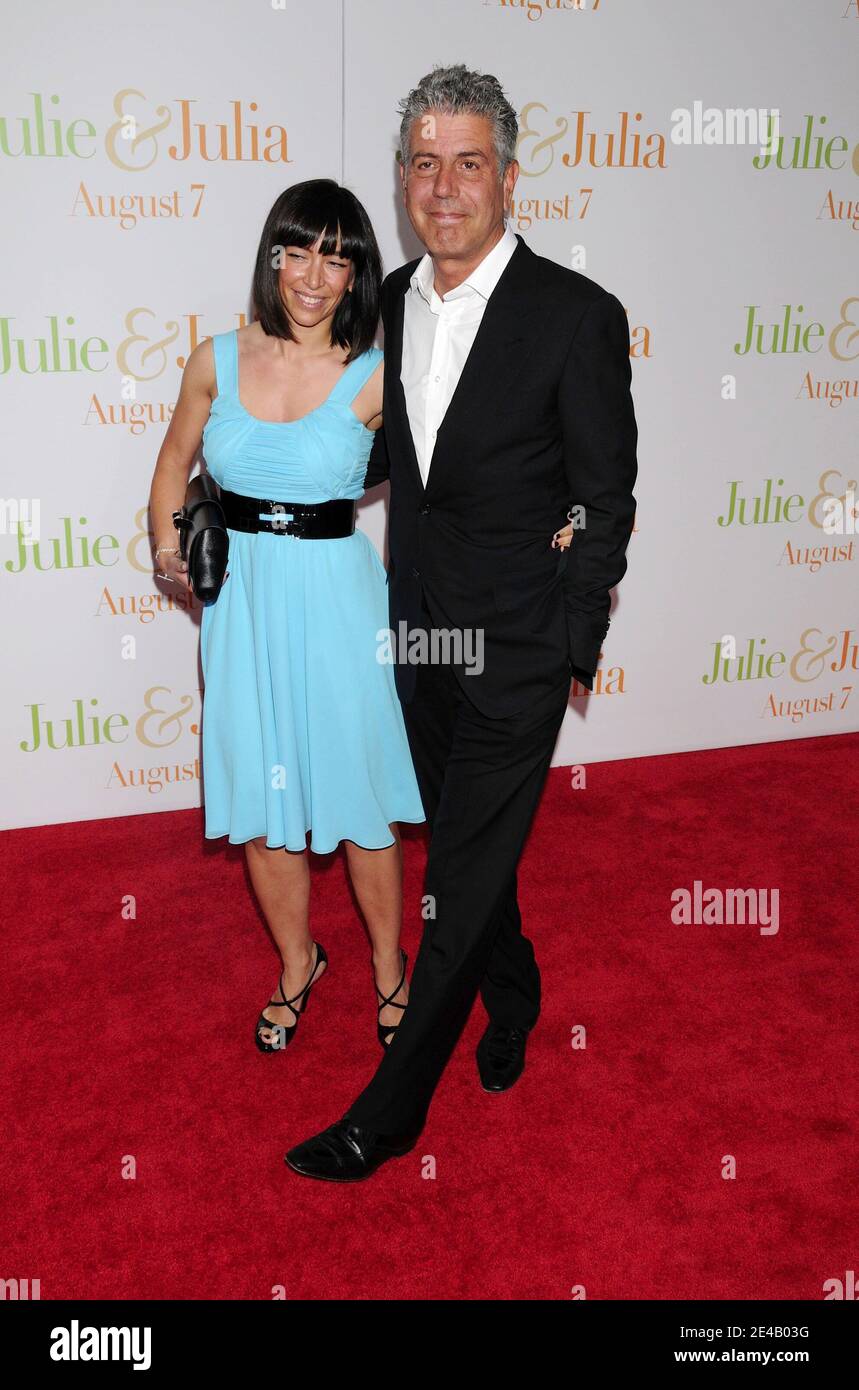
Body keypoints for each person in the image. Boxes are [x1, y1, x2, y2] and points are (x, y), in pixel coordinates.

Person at [285, 64, 638, 1182]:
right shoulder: (383, 302)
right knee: (475, 857)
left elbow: (604, 494)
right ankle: (517, 988)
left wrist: (569, 644)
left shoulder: (576, 317)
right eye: (424, 164)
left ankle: (387, 1116)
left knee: (453, 887)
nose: (445, 187)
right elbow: (374, 458)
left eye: (468, 163)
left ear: (508, 177)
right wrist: (245, 503)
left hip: (521, 649)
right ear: (400, 180)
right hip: (421, 643)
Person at [148, 180, 426, 1055]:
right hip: (241, 604)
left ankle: (389, 968)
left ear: (357, 274)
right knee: (261, 805)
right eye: (299, 250)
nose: (315, 274)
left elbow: (442, 487)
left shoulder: (380, 374)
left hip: (340, 603)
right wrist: (167, 548)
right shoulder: (215, 358)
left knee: (359, 801)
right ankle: (298, 963)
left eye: (337, 255)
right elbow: (171, 465)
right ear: (274, 256)